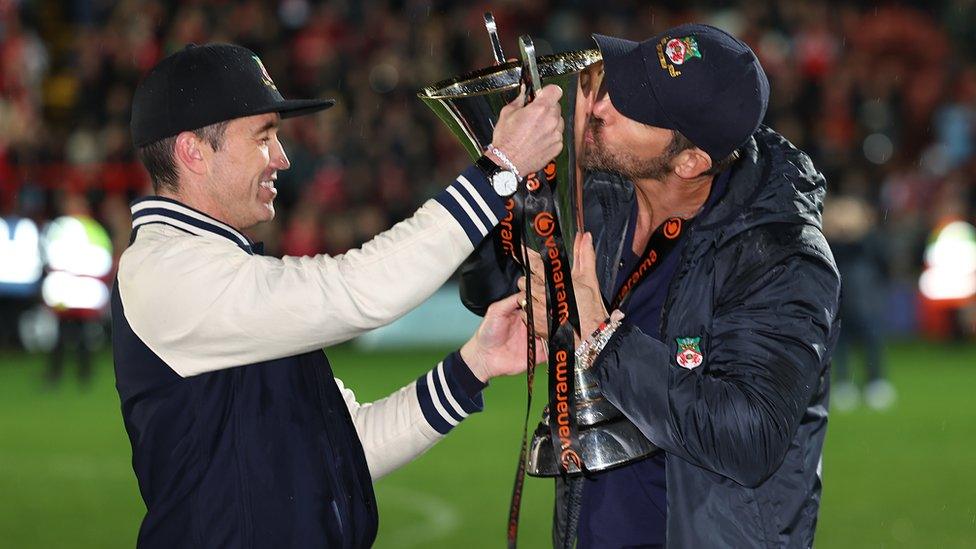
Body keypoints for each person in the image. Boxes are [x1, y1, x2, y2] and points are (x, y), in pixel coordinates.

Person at [114, 43, 560, 548]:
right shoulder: (166, 272)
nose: (281, 158)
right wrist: (499, 171)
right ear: (193, 151)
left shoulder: (223, 275)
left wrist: (473, 365)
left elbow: (345, 454)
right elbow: (358, 290)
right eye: (263, 137)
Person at [460, 24, 841, 547]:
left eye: (632, 106)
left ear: (690, 162)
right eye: (619, 81)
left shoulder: (780, 258)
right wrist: (505, 173)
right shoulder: (601, 199)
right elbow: (486, 286)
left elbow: (749, 439)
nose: (598, 106)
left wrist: (600, 335)